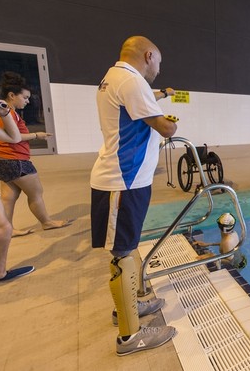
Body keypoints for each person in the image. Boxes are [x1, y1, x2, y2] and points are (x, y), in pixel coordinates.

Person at [90, 36, 178, 356]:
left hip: (126, 180)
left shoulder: (116, 77)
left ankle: (128, 308)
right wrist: (173, 120)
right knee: (122, 255)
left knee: (125, 250)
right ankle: (129, 336)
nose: (159, 68)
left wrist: (161, 98)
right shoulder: (131, 80)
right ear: (149, 55)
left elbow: (143, 101)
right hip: (121, 182)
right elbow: (165, 128)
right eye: (159, 62)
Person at [0, 71, 73, 237]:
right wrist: (36, 135)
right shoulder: (7, 113)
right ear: (12, 95)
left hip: (3, 161)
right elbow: (14, 137)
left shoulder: (6, 112)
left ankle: (7, 229)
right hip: (15, 161)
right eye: (24, 97)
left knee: (9, 196)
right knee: (36, 192)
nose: (28, 101)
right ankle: (47, 222)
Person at [0, 98, 32, 281]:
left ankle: (0, 272)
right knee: (3, 227)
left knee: (4, 226)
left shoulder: (6, 113)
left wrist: (4, 112)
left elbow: (15, 137)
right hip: (13, 161)